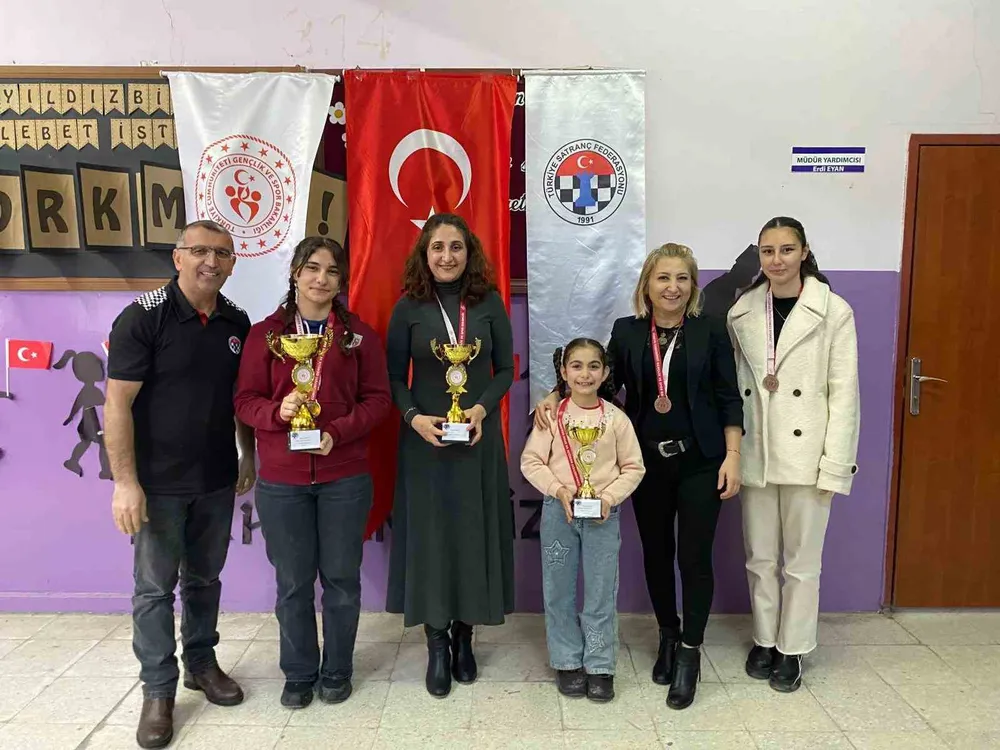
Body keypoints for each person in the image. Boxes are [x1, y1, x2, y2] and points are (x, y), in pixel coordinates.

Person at [534, 243, 743, 710]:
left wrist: (733, 455)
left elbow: (729, 396)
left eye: (682, 278)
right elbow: (599, 382)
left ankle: (689, 652)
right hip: (647, 462)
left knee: (694, 558)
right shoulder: (627, 331)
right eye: (663, 277)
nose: (673, 287)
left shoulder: (710, 329)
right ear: (647, 284)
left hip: (702, 460)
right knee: (657, 554)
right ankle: (668, 634)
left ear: (692, 286)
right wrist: (553, 394)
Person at [104, 220, 255, 749]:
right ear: (178, 257)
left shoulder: (237, 321)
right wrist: (126, 483)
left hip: (215, 477)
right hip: (158, 484)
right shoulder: (142, 317)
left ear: (233, 264)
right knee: (153, 590)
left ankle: (201, 664)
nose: (211, 262)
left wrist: (247, 451)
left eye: (222, 254)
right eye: (200, 251)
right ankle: (158, 691)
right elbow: (116, 404)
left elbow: (240, 398)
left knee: (205, 580)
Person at [234, 237, 391, 708]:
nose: (321, 279)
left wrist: (337, 432)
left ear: (342, 280)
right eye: (312, 268)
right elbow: (244, 401)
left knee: (341, 579)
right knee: (293, 583)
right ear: (295, 273)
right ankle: (299, 672)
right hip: (282, 481)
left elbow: (378, 400)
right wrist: (277, 412)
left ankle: (338, 669)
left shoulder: (358, 336)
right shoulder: (265, 335)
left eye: (332, 271)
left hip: (344, 477)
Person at [385, 212, 515, 698]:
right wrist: (414, 417)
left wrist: (479, 410)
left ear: (469, 252)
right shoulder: (408, 308)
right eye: (437, 247)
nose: (446, 256)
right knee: (432, 539)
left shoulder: (489, 303)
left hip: (477, 440)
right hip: (425, 443)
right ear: (425, 253)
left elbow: (505, 369)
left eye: (456, 247)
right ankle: (436, 642)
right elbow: (393, 377)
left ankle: (465, 636)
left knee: (471, 535)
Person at [727, 216, 859, 693]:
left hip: (808, 454)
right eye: (768, 251)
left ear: (804, 252)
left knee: (802, 563)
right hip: (758, 450)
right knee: (759, 557)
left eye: (786, 250)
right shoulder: (742, 311)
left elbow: (844, 395)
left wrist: (834, 465)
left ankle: (793, 647)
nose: (777, 260)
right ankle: (765, 639)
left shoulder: (833, 311)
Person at [521, 338, 645, 703]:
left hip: (602, 516)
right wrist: (558, 490)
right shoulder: (551, 417)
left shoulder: (616, 419)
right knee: (558, 590)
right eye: (576, 366)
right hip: (559, 513)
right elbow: (531, 462)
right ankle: (566, 660)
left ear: (605, 373)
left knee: (601, 592)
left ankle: (600, 664)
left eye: (593, 366)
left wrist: (608, 497)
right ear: (563, 372)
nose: (585, 374)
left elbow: (634, 467)